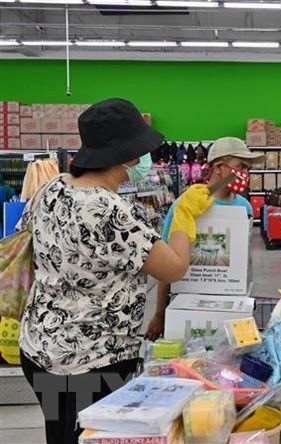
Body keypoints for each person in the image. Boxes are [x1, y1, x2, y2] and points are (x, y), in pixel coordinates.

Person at [17, 98, 215, 444]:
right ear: (129, 156)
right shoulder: (111, 210)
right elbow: (174, 267)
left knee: (61, 431)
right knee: (87, 434)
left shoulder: (52, 188)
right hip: (91, 360)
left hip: (39, 348)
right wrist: (183, 214)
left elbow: (30, 243)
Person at [145, 137, 264, 340]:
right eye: (241, 167)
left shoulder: (245, 208)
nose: (246, 174)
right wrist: (160, 314)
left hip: (229, 308)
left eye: (248, 169)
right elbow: (166, 266)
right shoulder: (186, 206)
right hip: (189, 307)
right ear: (219, 168)